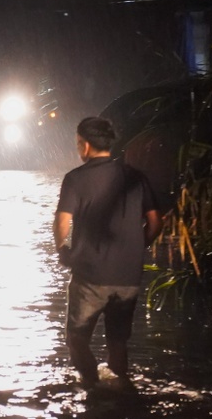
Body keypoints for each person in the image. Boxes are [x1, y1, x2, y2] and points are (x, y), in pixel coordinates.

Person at [54, 116, 161, 388]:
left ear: (85, 146)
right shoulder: (135, 176)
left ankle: (94, 389)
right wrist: (139, 247)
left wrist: (62, 250)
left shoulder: (75, 179)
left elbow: (62, 222)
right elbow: (156, 222)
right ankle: (123, 393)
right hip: (128, 278)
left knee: (76, 340)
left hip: (90, 276)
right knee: (117, 342)